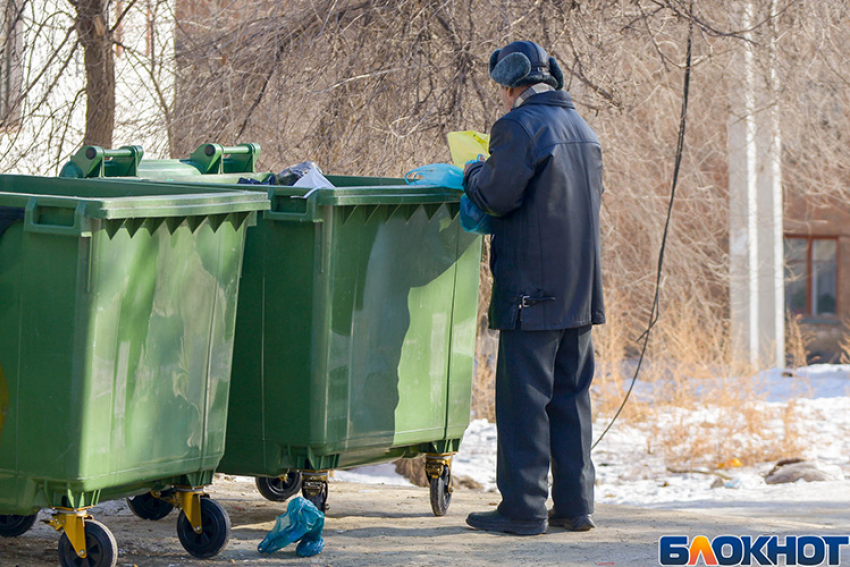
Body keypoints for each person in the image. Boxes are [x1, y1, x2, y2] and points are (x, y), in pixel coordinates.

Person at [463, 40, 605, 536]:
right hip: (580, 294)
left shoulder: (519, 126)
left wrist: (472, 171)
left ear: (510, 82)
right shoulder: (582, 129)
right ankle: (574, 506)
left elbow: (496, 194)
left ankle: (522, 510)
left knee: (525, 404)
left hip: (532, 295)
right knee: (571, 401)